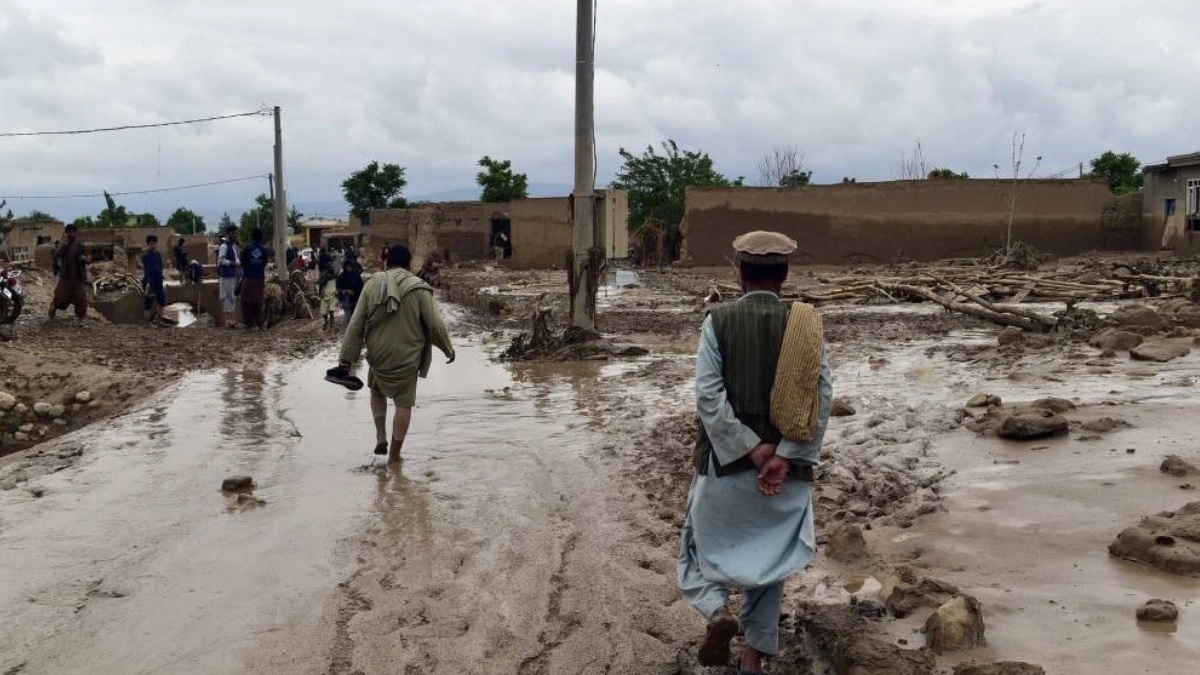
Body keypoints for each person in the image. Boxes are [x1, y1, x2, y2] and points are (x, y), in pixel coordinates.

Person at [677, 231, 833, 674]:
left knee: (694, 548)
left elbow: (709, 398)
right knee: (769, 565)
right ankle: (751, 661)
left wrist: (751, 449)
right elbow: (821, 396)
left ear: (740, 273)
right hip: (786, 476)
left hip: (723, 468)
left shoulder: (718, 321)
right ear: (784, 276)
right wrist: (785, 454)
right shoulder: (806, 324)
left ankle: (716, 611)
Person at [330, 245, 454, 464]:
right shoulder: (420, 288)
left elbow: (356, 324)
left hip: (378, 354)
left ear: (387, 263)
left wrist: (346, 361)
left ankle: (381, 436)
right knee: (403, 405)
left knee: (377, 391)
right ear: (409, 264)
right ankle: (395, 457)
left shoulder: (372, 284)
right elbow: (434, 325)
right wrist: (447, 348)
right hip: (408, 356)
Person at [49, 223, 89, 322]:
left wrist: (85, 259)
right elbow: (56, 256)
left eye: (73, 232)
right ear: (66, 233)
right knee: (60, 297)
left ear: (76, 233)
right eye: (69, 232)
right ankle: (53, 307)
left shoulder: (80, 246)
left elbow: (89, 257)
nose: (72, 234)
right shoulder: (64, 247)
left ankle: (81, 318)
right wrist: (61, 245)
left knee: (81, 299)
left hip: (78, 278)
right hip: (66, 278)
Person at [240, 228, 270, 330]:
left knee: (246, 301)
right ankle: (259, 324)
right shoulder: (264, 250)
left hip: (248, 278)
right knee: (258, 301)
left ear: (251, 237)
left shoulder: (247, 249)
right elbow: (264, 263)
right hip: (260, 278)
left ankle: (250, 324)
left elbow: (242, 262)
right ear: (261, 238)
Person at [141, 235, 167, 326]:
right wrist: (148, 283)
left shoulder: (158, 254)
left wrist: (161, 276)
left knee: (162, 300)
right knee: (148, 302)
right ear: (148, 244)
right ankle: (146, 323)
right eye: (151, 244)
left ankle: (159, 320)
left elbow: (160, 266)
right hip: (150, 282)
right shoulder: (146, 256)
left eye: (155, 244)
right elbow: (148, 271)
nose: (153, 246)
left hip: (158, 281)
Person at [217, 231, 241, 328]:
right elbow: (221, 260)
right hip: (226, 275)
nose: (235, 236)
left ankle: (231, 320)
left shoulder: (233, 248)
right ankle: (228, 321)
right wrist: (233, 263)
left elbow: (237, 260)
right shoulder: (224, 247)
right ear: (228, 235)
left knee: (231, 296)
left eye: (236, 234)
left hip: (233, 274)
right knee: (227, 296)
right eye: (233, 234)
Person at [316, 262, 338, 331]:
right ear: (328, 268)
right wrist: (320, 293)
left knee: (331, 309)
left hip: (333, 294)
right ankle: (326, 321)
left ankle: (332, 321)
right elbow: (318, 285)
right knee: (323, 312)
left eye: (333, 267)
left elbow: (338, 284)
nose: (333, 269)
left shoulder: (335, 275)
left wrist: (337, 291)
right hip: (325, 295)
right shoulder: (324, 276)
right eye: (331, 267)